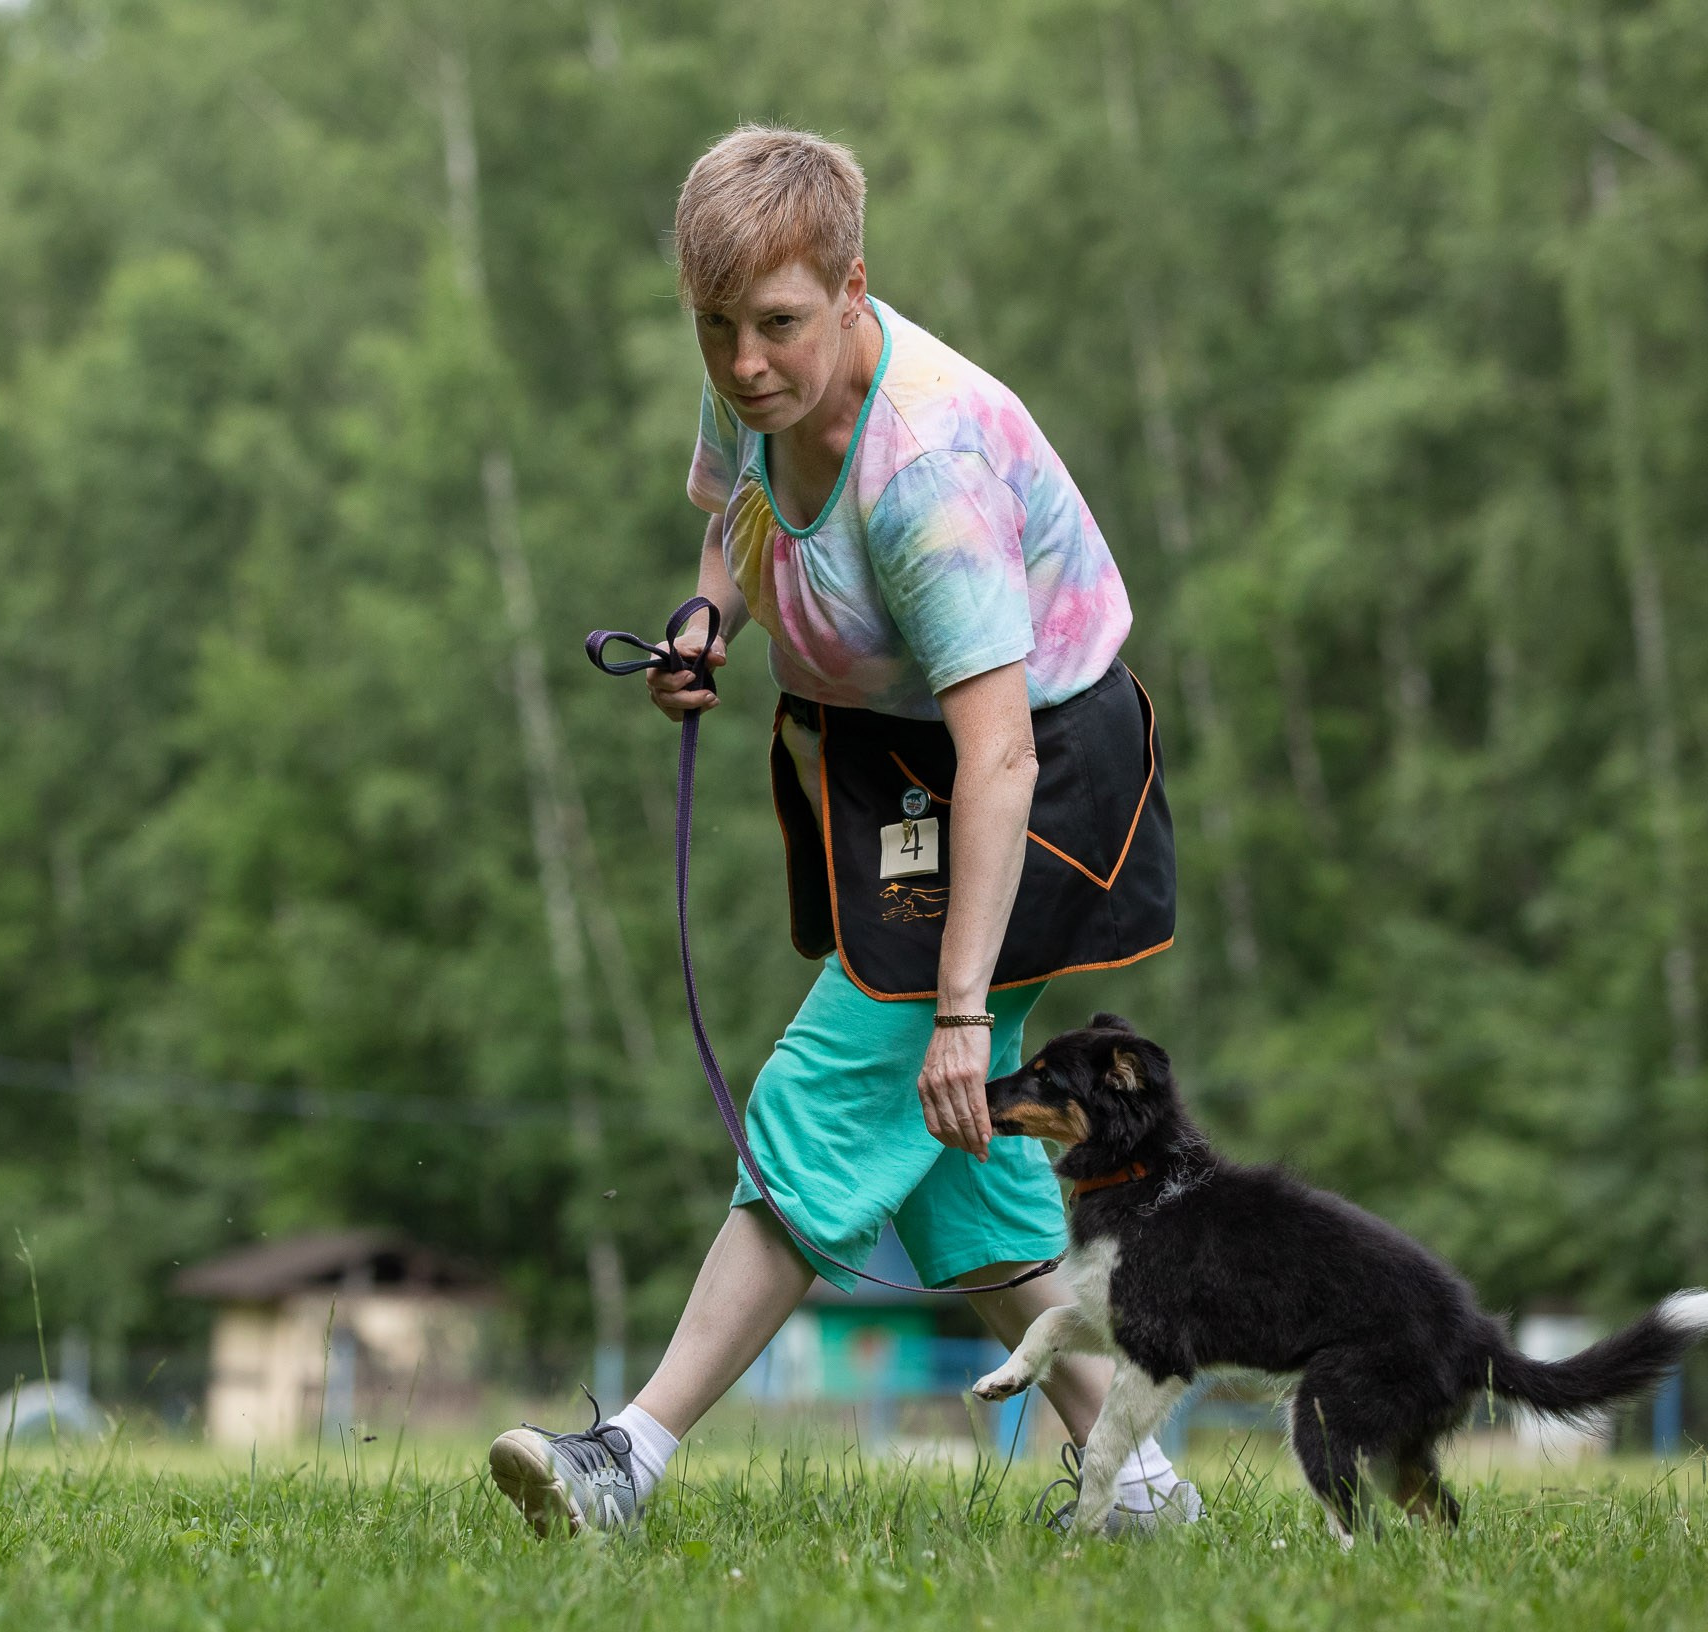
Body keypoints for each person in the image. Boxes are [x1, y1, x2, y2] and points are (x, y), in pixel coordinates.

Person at [488, 125, 1194, 1537]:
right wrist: (707, 624)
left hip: (1038, 774)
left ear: (853, 286)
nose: (745, 361)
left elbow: (998, 750)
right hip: (913, 764)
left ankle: (628, 1457)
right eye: (717, 327)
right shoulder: (753, 389)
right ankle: (1141, 1485)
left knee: (835, 1094)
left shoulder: (924, 472)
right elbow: (738, 528)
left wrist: (958, 1008)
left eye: (778, 325)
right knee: (953, 1155)